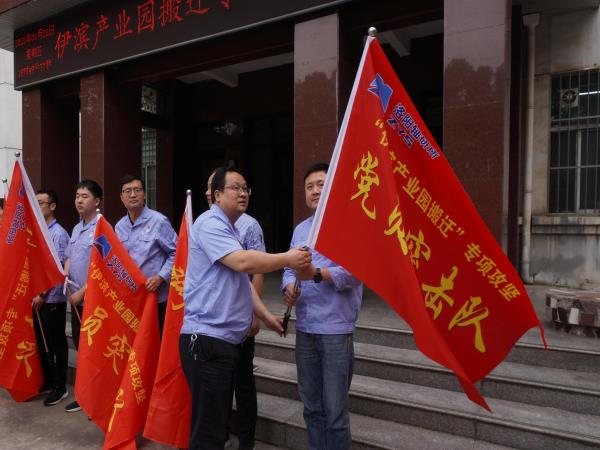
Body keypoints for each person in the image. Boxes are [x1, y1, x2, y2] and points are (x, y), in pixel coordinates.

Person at [180, 165, 311, 450]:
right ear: (217, 195)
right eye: (235, 188)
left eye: (245, 188)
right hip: (207, 340)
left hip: (224, 341)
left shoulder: (230, 230)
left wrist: (264, 316)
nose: (243, 193)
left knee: (215, 424)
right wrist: (288, 258)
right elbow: (243, 263)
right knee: (209, 432)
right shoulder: (209, 224)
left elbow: (242, 283)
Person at [282, 162, 363, 450]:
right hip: (305, 328)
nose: (315, 190)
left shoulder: (350, 225)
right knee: (312, 408)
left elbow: (355, 273)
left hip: (335, 331)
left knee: (335, 413)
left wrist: (317, 273)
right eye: (309, 186)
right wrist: (288, 287)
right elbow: (289, 269)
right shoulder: (301, 230)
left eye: (321, 184)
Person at [205, 170, 264, 450]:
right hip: (216, 323)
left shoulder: (249, 225)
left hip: (241, 317)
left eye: (243, 188)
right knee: (220, 385)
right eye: (208, 188)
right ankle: (222, 435)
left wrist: (256, 314)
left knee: (243, 382)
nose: (209, 193)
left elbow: (256, 270)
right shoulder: (206, 224)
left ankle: (247, 441)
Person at [115, 175, 177, 336]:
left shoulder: (159, 221)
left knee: (154, 342)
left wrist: (161, 277)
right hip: (131, 299)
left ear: (145, 194)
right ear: (121, 197)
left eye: (137, 190)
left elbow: (176, 252)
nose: (133, 195)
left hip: (155, 299)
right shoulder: (119, 227)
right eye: (127, 191)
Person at [63, 179, 103, 413]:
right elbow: (69, 256)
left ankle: (97, 397)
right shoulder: (77, 228)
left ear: (97, 201)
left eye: (84, 196)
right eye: (77, 196)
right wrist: (66, 275)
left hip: (94, 302)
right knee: (81, 348)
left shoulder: (102, 228)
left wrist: (82, 292)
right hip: (77, 300)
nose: (79, 200)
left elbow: (103, 269)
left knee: (95, 351)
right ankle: (85, 394)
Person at [32, 189, 70, 406]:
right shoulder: (40, 231)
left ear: (52, 206)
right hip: (39, 299)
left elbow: (57, 269)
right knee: (43, 342)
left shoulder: (58, 234)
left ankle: (60, 386)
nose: (37, 206)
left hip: (53, 299)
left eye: (41, 203)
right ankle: (48, 380)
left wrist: (42, 294)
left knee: (57, 343)